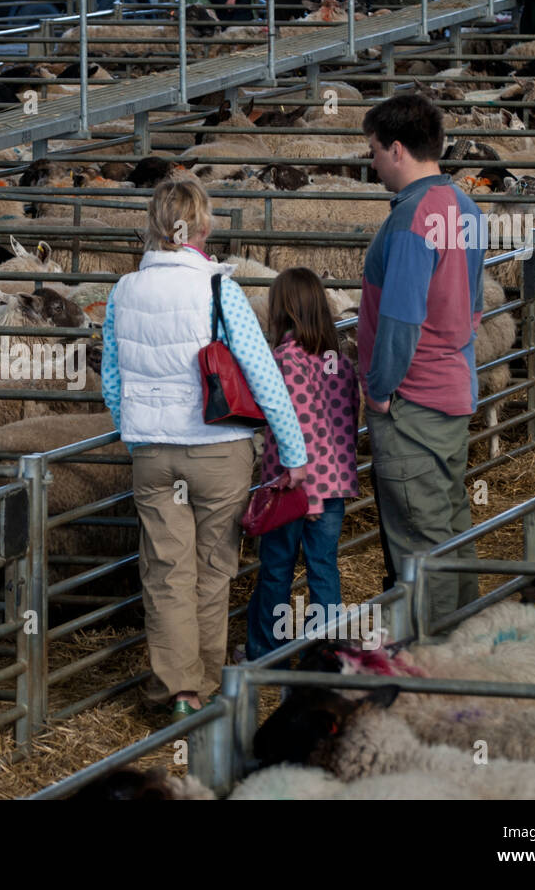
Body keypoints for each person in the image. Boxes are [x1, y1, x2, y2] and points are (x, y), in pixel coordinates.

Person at [101, 178, 306, 723]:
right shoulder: (219, 290)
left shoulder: (123, 290)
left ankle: (177, 690)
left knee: (167, 572)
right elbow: (262, 373)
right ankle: (209, 688)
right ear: (204, 227)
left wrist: (137, 430)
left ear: (153, 224)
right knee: (214, 570)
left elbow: (110, 379)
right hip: (219, 449)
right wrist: (292, 449)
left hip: (153, 455)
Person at [357, 93, 485, 620]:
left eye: (373, 150)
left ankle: (429, 667)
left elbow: (402, 319)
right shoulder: (466, 204)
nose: (371, 162)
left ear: (395, 148)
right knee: (450, 525)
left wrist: (381, 389)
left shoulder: (412, 219)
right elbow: (473, 307)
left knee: (419, 540)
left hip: (413, 403)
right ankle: (465, 642)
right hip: (453, 389)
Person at [244, 267, 361, 659]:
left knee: (277, 568)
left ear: (284, 310)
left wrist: (307, 495)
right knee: (323, 567)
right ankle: (325, 655)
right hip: (333, 485)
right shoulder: (338, 360)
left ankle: (266, 652)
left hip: (293, 486)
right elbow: (346, 420)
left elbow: (304, 423)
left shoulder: (285, 361)